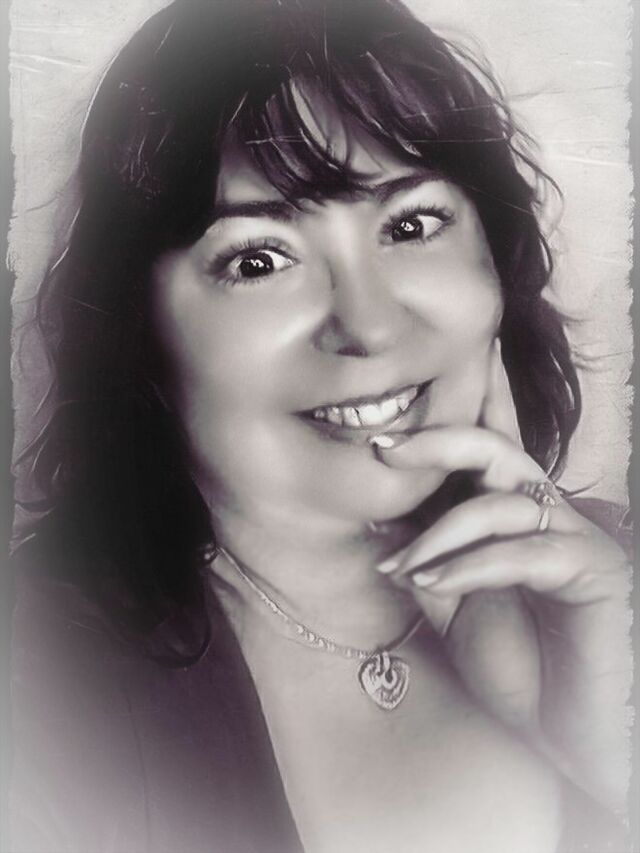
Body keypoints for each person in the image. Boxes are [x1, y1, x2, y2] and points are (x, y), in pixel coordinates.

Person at [9, 0, 632, 851]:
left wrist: (614, 759)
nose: (369, 324)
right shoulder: (38, 685)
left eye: (410, 224)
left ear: (496, 258)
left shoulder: (609, 589)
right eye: (259, 259)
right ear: (138, 331)